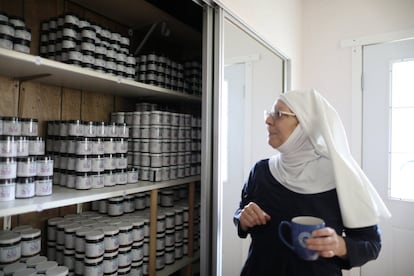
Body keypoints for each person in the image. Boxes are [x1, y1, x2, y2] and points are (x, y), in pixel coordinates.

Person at [233, 89, 391, 276]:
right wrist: (242, 219)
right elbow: (240, 213)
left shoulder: (340, 178)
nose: (268, 120)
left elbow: (371, 244)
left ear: (305, 124)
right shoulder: (260, 171)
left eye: (279, 114)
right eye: (270, 114)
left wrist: (340, 245)